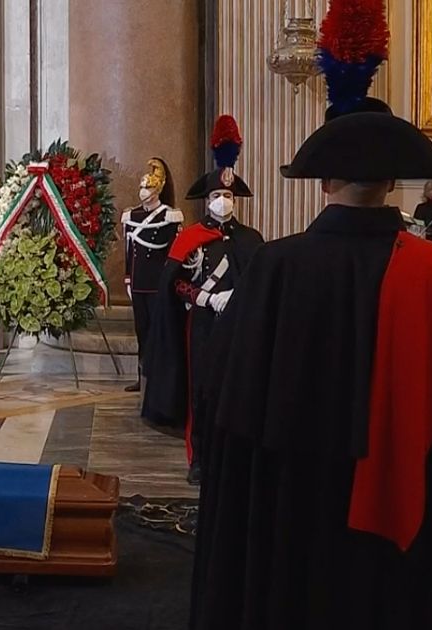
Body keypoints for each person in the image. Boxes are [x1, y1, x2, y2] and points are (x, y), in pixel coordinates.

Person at [191, 6, 432, 627]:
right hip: (409, 542)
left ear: (322, 183)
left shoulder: (275, 268)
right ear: (394, 184)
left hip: (292, 519)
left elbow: (228, 398)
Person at [142, 115, 263, 486]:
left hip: (239, 327)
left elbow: (259, 282)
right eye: (216, 196)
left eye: (227, 196)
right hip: (203, 326)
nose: (222, 202)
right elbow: (173, 285)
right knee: (201, 392)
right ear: (206, 201)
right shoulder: (189, 237)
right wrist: (206, 298)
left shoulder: (251, 238)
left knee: (236, 390)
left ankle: (234, 455)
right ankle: (199, 457)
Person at [121, 158, 182, 393]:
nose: (143, 192)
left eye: (148, 187)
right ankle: (142, 375)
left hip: (158, 282)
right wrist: (128, 277)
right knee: (142, 330)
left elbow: (172, 252)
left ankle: (160, 376)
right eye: (142, 187)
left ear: (158, 190)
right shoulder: (132, 216)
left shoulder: (169, 216)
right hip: (138, 283)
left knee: (160, 330)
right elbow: (130, 249)